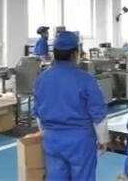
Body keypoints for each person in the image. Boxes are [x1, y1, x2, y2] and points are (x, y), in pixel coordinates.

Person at [33, 31, 109, 180]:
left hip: (52, 140)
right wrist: (103, 139)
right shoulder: (86, 80)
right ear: (75, 54)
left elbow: (38, 113)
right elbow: (98, 114)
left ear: (54, 53)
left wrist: (47, 133)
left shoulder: (42, 79)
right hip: (80, 141)